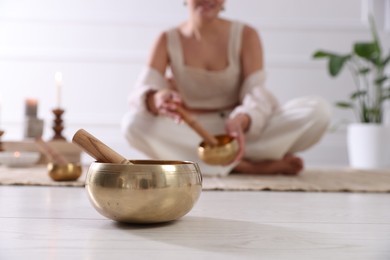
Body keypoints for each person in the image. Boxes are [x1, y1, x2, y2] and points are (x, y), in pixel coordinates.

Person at [121, 0, 331, 176]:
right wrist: (157, 98)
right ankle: (245, 166)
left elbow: (256, 92)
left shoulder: (246, 34)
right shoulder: (167, 39)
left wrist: (243, 120)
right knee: (133, 124)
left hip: (239, 130)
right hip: (193, 134)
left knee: (318, 111)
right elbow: (143, 90)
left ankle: (224, 160)